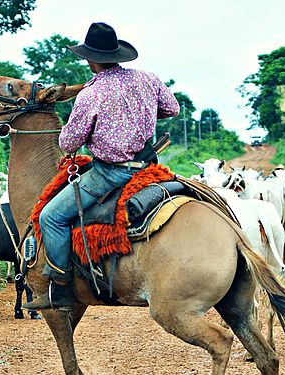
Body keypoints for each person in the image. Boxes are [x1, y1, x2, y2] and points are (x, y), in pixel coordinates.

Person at [23, 22, 180, 310]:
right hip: (148, 166)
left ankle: (59, 288)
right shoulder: (147, 79)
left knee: (50, 217)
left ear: (90, 59)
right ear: (117, 54)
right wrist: (139, 115)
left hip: (112, 173)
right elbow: (173, 108)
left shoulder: (90, 94)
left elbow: (69, 143)